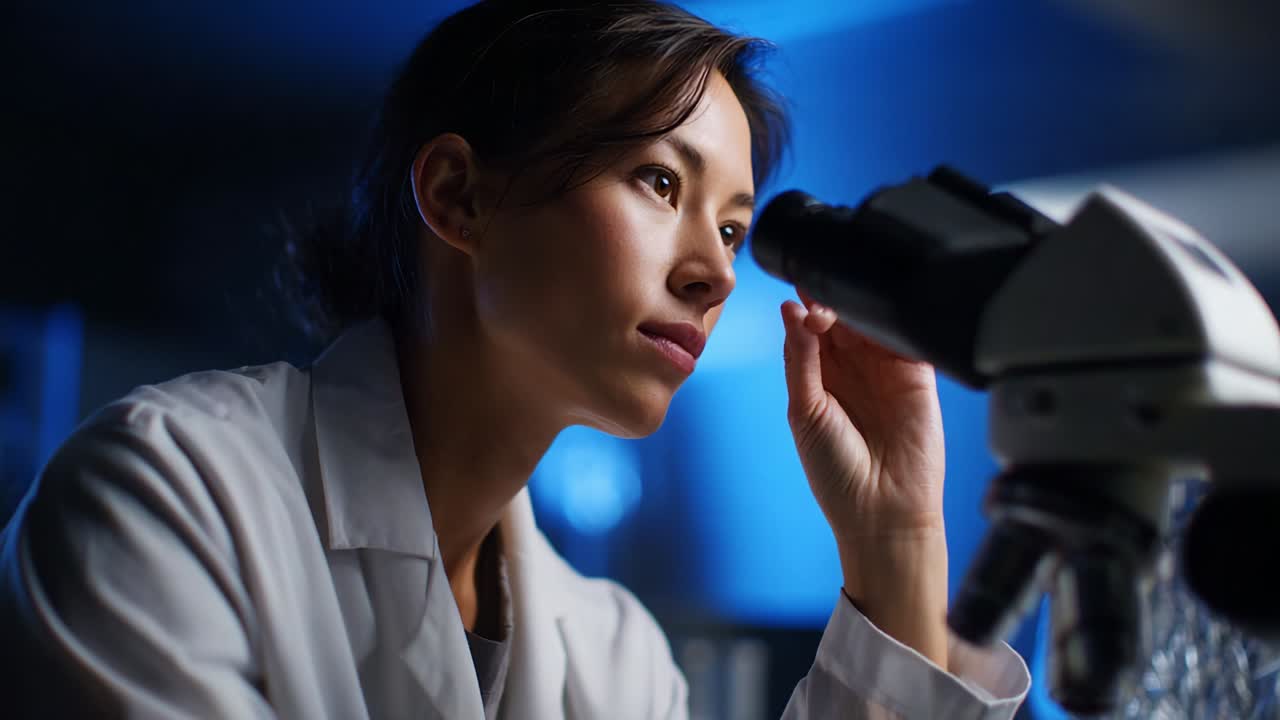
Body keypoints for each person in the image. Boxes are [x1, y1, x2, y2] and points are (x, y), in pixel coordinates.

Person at [0, 1, 1030, 717]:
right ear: (457, 196)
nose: (714, 277)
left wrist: (894, 540)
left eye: (729, 229)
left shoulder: (614, 657)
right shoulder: (163, 497)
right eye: (658, 183)